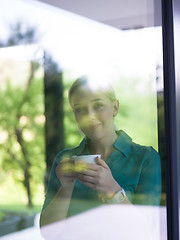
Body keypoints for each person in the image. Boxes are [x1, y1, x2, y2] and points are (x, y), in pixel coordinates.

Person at [40, 76, 161, 228]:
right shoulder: (65, 160)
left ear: (115, 108)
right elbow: (48, 232)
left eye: (98, 106)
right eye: (79, 109)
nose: (89, 116)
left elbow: (148, 231)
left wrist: (112, 190)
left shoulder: (145, 159)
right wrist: (65, 188)